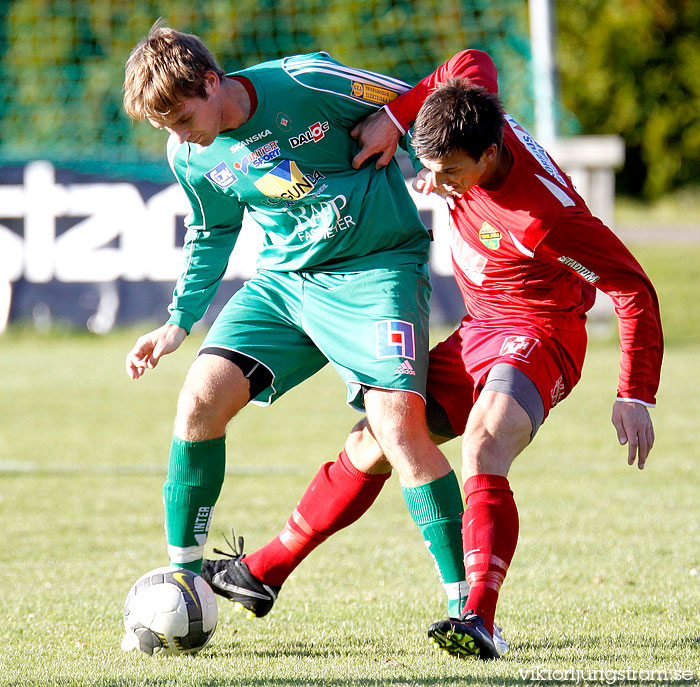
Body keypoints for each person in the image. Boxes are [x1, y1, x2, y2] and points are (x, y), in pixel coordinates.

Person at [215, 49, 662, 661]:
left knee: (485, 443)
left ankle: (477, 617)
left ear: (490, 153)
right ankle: (263, 571)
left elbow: (632, 289)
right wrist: (398, 118)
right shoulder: (468, 118)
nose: (436, 182)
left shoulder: (543, 218)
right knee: (378, 439)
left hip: (540, 331)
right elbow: (471, 59)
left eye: (449, 172)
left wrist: (634, 392)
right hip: (480, 329)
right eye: (429, 168)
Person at [121, 24, 473, 646]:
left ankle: (468, 607)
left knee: (397, 427)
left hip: (377, 268)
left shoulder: (305, 80)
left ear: (212, 81)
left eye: (182, 117)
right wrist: (178, 322)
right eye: (165, 128)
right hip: (284, 282)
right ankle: (182, 581)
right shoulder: (190, 154)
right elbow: (211, 231)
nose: (179, 136)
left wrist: (394, 117)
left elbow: (434, 94)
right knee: (199, 399)